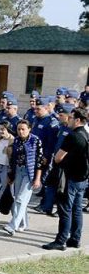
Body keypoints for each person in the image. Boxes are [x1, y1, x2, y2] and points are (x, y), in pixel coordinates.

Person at [43, 107, 89, 250]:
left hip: (69, 178)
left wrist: (64, 160)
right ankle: (75, 239)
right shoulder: (86, 134)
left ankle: (60, 241)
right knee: (76, 210)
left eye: (71, 117)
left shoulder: (73, 136)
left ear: (77, 120)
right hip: (82, 179)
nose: (68, 120)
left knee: (65, 210)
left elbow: (57, 158)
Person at [3, 120, 43, 236]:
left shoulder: (35, 140)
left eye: (23, 129)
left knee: (21, 198)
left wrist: (37, 178)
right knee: (18, 199)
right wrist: (11, 175)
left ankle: (12, 225)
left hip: (30, 173)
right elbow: (13, 159)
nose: (20, 131)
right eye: (19, 129)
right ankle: (23, 223)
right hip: (18, 171)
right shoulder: (16, 140)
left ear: (29, 129)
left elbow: (39, 161)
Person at [38, 103, 73, 216]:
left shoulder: (73, 130)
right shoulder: (61, 127)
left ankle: (59, 209)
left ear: (68, 116)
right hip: (56, 161)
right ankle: (46, 206)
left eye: (61, 115)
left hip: (66, 163)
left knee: (62, 187)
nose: (58, 116)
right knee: (51, 184)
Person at [31, 98, 61, 209]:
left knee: (45, 179)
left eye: (38, 109)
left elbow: (51, 143)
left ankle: (45, 204)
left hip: (44, 155)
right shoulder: (36, 119)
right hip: (34, 154)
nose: (36, 111)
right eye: (35, 109)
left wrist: (46, 156)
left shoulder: (51, 122)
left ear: (46, 108)